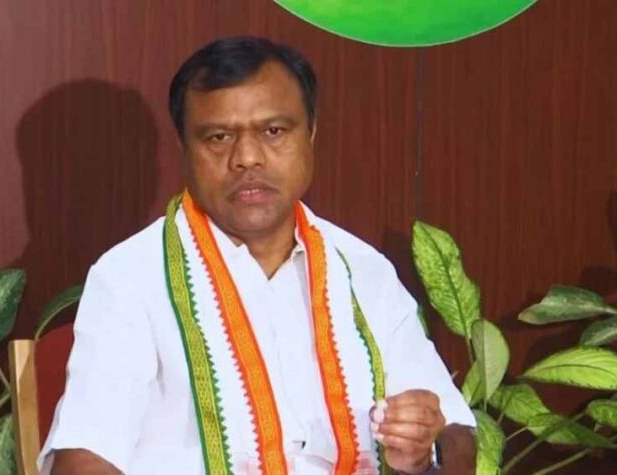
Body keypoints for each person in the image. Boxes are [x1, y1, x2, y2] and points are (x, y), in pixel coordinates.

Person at [40, 36, 476, 474]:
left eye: (273, 132)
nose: (247, 158)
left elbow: (456, 431)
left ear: (311, 133)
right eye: (218, 137)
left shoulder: (364, 271)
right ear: (184, 148)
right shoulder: (130, 278)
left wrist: (425, 452)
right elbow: (84, 458)